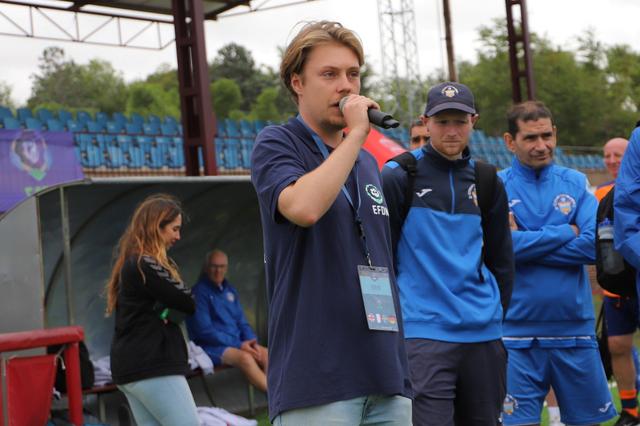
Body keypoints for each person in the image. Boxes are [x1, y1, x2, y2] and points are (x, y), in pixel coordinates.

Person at [250, 20, 412, 425]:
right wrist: (357, 135)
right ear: (297, 83)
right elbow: (304, 208)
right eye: (329, 74)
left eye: (353, 74)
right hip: (317, 380)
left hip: (385, 375)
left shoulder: (367, 163)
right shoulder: (277, 142)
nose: (346, 86)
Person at [382, 81, 514, 425]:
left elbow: (501, 258)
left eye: (460, 121)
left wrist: (493, 311)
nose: (452, 130)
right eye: (442, 122)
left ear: (474, 121)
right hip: (423, 332)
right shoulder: (398, 175)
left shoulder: (487, 179)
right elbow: (381, 257)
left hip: (484, 333)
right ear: (426, 122)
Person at [498, 100, 616, 426]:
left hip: (574, 330)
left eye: (546, 136)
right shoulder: (496, 186)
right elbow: (500, 249)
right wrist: (566, 231)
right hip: (516, 335)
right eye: (530, 138)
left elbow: (591, 247)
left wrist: (524, 243)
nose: (541, 145)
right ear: (510, 141)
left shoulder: (576, 183)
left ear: (555, 134)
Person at [106, 194, 199, 425]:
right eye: (174, 229)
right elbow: (188, 301)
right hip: (151, 365)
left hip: (131, 368)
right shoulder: (144, 263)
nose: (178, 236)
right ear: (156, 227)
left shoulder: (131, 263)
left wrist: (165, 308)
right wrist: (168, 307)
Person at [595, 137, 640, 426]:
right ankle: (630, 410)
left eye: (618, 155)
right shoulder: (599, 193)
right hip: (616, 290)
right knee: (618, 346)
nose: (612, 160)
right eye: (607, 155)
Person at [186, 249, 268, 393]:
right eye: (214, 266)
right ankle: (274, 396)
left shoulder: (229, 290)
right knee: (245, 358)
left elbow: (242, 321)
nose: (218, 271)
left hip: (238, 344)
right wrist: (240, 345)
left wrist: (251, 342)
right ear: (206, 268)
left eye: (222, 266)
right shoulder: (198, 293)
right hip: (210, 347)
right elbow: (205, 331)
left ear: (226, 268)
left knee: (266, 354)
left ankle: (278, 395)